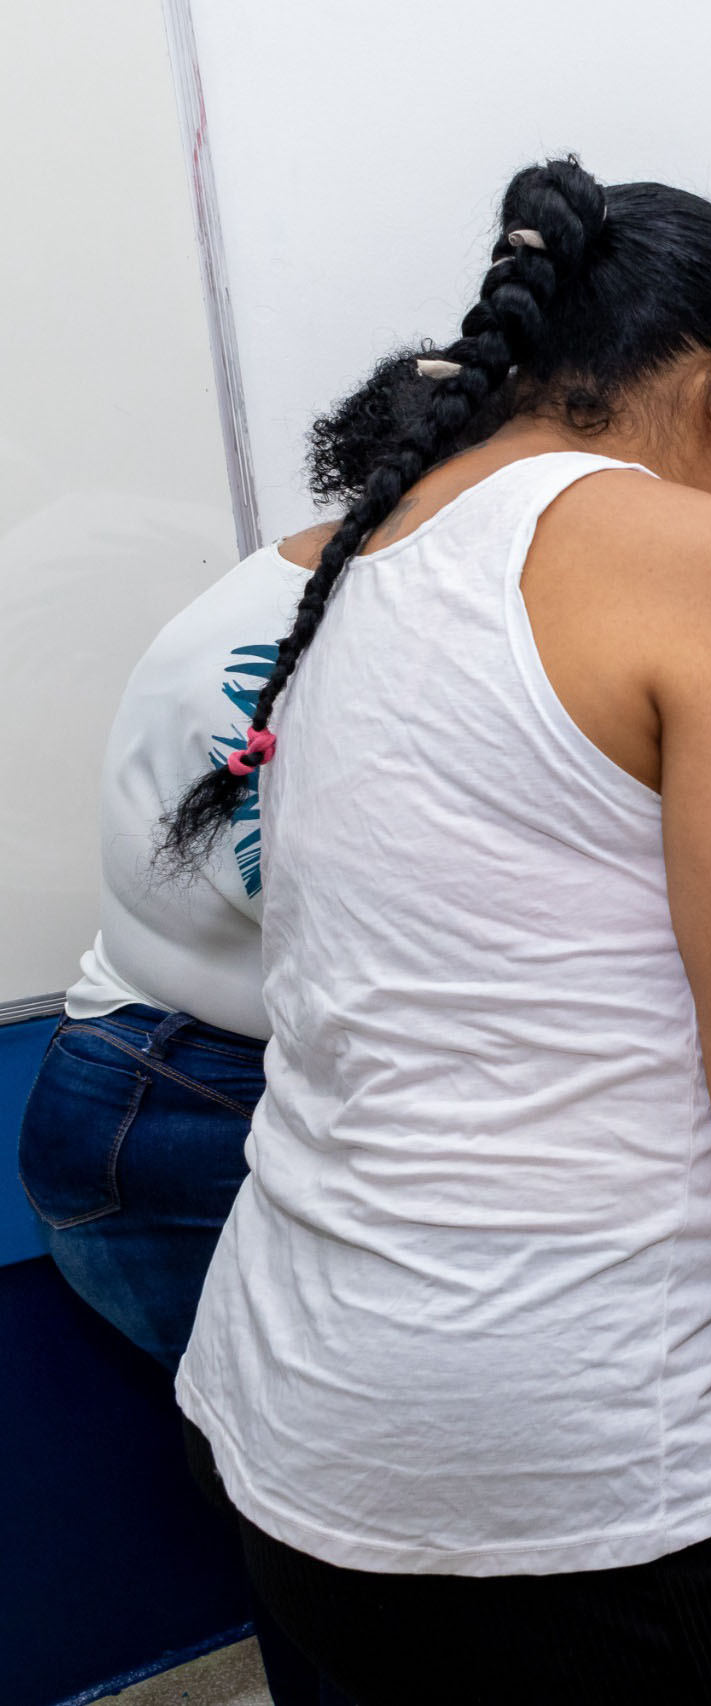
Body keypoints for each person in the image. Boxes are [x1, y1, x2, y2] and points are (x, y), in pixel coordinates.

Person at [166, 156, 711, 1702]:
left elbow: (492, 965)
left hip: (293, 1405)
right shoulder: (694, 560)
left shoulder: (365, 553)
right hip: (557, 1450)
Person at [15, 527, 346, 1705]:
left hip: (152, 1077)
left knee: (304, 1494)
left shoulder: (296, 591)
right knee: (325, 1505)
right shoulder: (294, 652)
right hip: (177, 1108)